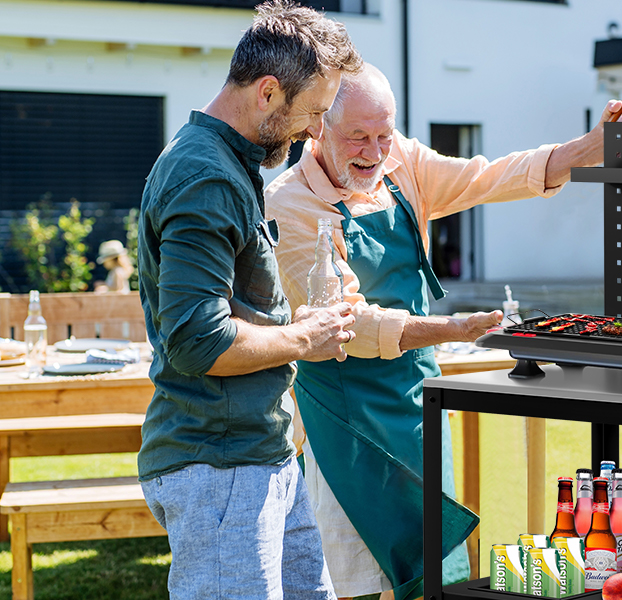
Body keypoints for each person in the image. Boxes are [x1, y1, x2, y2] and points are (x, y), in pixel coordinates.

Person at [265, 63, 622, 600]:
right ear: (317, 126)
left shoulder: (401, 162)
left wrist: (587, 148)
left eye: (385, 134)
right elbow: (345, 324)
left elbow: (485, 176)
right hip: (345, 417)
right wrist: (450, 328)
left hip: (417, 396)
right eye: (359, 137)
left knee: (434, 574)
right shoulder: (289, 203)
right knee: (356, 578)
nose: (375, 150)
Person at [136, 2, 362, 598]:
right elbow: (196, 339)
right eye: (314, 112)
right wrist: (304, 339)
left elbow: (228, 312)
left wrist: (296, 320)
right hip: (219, 468)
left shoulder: (227, 165)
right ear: (268, 92)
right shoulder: (205, 176)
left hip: (260, 457)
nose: (317, 131)